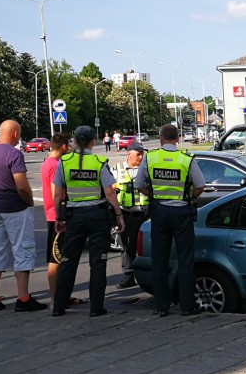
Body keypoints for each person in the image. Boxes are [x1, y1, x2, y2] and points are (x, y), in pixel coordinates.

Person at [51, 126, 124, 317]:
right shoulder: (99, 161)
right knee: (98, 262)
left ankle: (59, 306)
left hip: (74, 216)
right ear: (93, 141)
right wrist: (118, 214)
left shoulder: (64, 162)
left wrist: (59, 217)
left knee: (68, 260)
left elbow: (58, 194)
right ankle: (96, 308)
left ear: (74, 141)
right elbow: (109, 192)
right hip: (97, 215)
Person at [135, 124, 205, 316]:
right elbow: (201, 186)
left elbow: (139, 184)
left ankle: (162, 306)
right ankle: (187, 307)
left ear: (160, 139)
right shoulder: (186, 159)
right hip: (182, 213)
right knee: (185, 261)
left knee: (159, 261)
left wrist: (154, 195)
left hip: (159, 212)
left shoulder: (151, 157)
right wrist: (187, 197)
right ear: (177, 139)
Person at [0, 120, 46, 313]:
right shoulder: (14, 154)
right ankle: (23, 298)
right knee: (22, 250)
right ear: (15, 134)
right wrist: (30, 202)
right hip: (16, 208)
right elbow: (22, 186)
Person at [41, 133, 86, 308]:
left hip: (54, 214)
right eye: (68, 145)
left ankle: (61, 296)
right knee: (56, 259)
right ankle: (55, 299)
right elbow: (57, 193)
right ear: (63, 147)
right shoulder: (54, 165)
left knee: (59, 258)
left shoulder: (48, 162)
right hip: (56, 216)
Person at [112, 140, 148, 289]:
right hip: (126, 214)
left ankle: (147, 276)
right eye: (138, 154)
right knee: (126, 246)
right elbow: (110, 191)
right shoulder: (116, 169)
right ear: (129, 154)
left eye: (142, 154)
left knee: (146, 246)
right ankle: (129, 276)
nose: (140, 157)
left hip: (146, 214)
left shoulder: (147, 168)